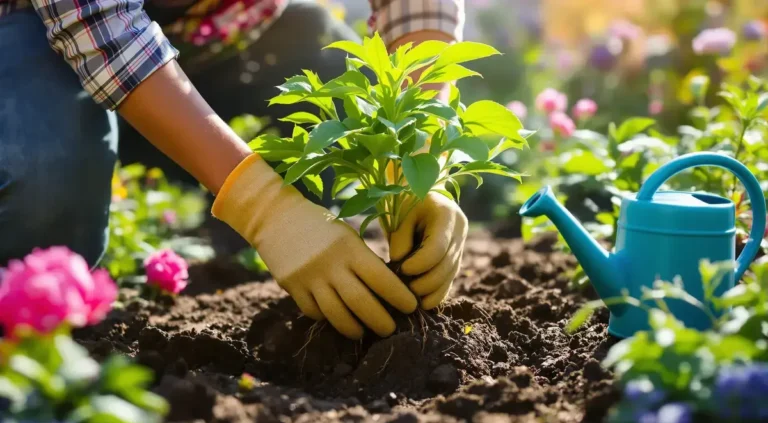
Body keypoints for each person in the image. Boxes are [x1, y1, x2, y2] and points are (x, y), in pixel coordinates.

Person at [0, 0, 468, 340]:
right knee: (41, 179)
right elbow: (97, 20)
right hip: (43, 29)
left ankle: (313, 263)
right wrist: (263, 207)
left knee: (324, 60)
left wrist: (416, 156)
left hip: (220, 34)